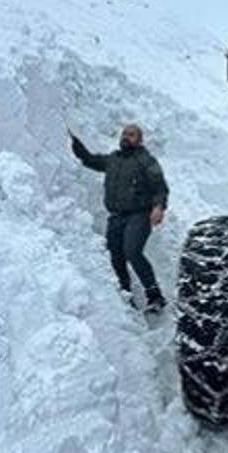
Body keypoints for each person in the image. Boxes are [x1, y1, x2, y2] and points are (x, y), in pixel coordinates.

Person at [69, 123, 169, 314]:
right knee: (115, 255)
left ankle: (155, 295)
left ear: (139, 140)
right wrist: (75, 144)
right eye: (124, 134)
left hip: (138, 215)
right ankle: (125, 293)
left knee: (132, 251)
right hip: (115, 217)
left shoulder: (146, 161)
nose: (126, 137)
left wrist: (158, 207)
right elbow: (90, 160)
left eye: (131, 135)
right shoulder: (113, 159)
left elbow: (160, 187)